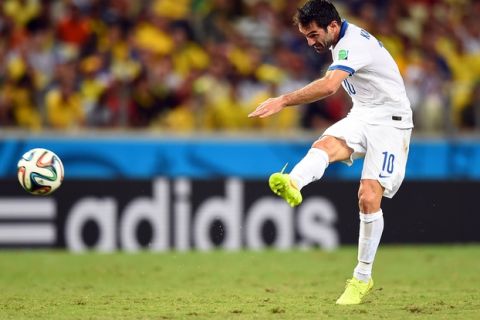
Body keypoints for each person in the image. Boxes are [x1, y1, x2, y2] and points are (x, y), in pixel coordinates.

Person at [248, 0, 413, 305]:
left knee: (368, 196)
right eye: (307, 36)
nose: (311, 42)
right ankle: (293, 183)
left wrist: (283, 100)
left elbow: (328, 87)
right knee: (324, 146)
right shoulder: (340, 42)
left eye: (313, 35)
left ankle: (362, 278)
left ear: (333, 26)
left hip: (392, 123)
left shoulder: (353, 44)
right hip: (364, 115)